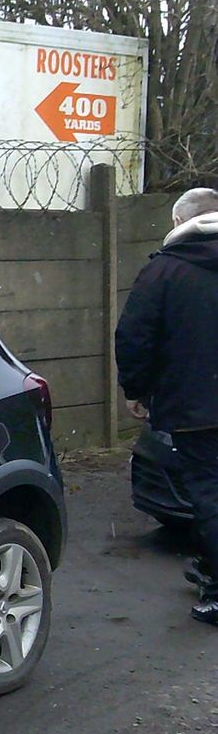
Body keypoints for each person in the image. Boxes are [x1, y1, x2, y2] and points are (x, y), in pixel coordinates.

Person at [116, 186, 218, 626]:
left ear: (179, 223)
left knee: (211, 494)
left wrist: (137, 390)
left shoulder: (165, 273)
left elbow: (135, 336)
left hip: (196, 409)